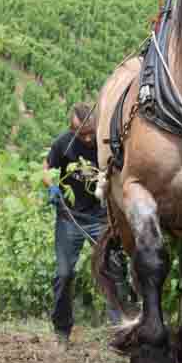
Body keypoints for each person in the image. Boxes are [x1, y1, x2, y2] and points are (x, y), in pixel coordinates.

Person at [42, 102, 128, 347]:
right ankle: (62, 330)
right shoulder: (63, 144)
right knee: (64, 274)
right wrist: (53, 187)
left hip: (100, 219)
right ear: (73, 130)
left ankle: (120, 328)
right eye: (83, 134)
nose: (88, 138)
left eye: (91, 132)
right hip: (69, 218)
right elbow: (47, 169)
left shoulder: (106, 142)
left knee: (112, 270)